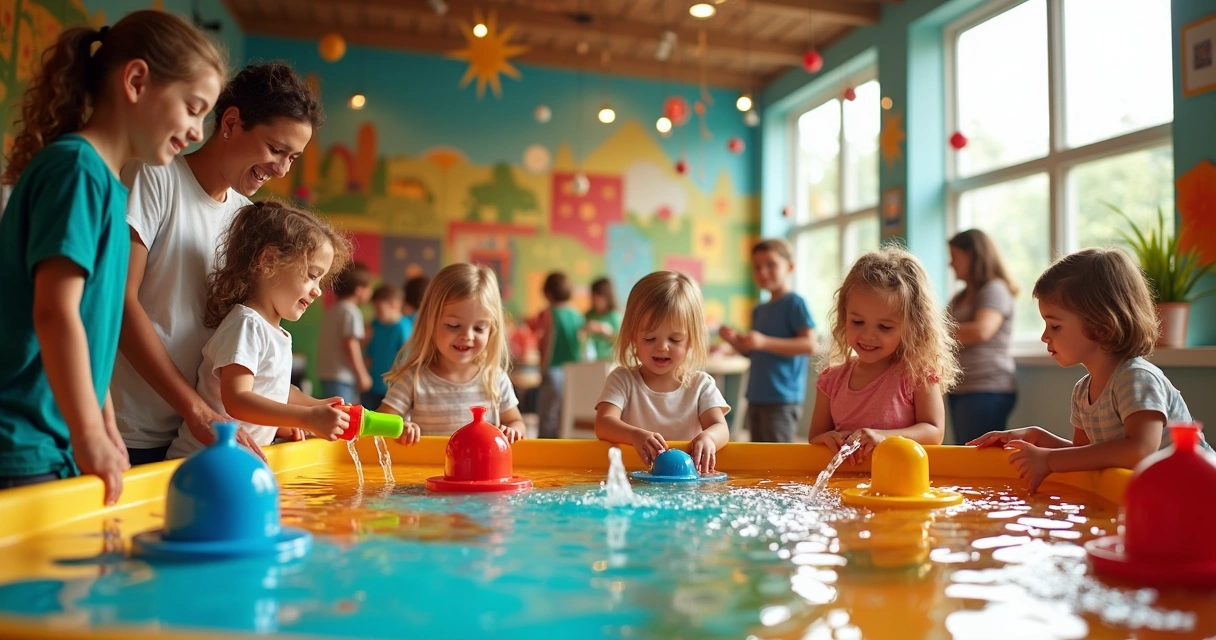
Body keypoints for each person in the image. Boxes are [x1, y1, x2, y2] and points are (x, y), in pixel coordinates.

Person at [0, 12, 226, 504]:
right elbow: (55, 313)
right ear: (137, 81)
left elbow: (88, 327)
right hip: (22, 442)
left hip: (50, 441)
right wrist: (88, 437)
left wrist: (102, 424)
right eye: (193, 108)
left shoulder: (102, 182)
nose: (196, 132)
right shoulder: (76, 171)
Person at [114, 62, 324, 465]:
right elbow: (120, 303)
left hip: (205, 437)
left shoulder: (247, 218)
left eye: (292, 157)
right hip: (132, 429)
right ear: (230, 123)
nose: (281, 169)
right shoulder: (155, 178)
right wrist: (195, 409)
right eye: (275, 149)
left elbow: (240, 339)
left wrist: (282, 412)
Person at [970, 249, 1202, 492]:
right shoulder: (1083, 391)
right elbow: (1086, 456)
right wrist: (1037, 437)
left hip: (1195, 492)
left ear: (1102, 327)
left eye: (1055, 326)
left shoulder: (1137, 378)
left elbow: (1140, 450)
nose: (1044, 336)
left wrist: (1048, 460)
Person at [166, 202, 352, 458]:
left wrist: (321, 406)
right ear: (270, 261)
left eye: (321, 279)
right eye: (311, 275)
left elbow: (274, 390)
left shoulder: (276, 332)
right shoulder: (247, 324)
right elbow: (238, 399)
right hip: (201, 462)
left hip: (233, 463)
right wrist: (307, 417)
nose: (318, 290)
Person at [807, 247, 961, 465]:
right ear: (843, 317)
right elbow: (814, 438)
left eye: (885, 327)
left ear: (911, 327)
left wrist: (883, 437)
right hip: (842, 486)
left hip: (899, 484)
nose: (868, 335)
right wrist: (826, 439)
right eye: (857, 322)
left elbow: (934, 432)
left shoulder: (916, 375)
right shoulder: (830, 380)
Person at [594, 271, 730, 474]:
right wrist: (634, 436)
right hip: (636, 481)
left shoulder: (700, 385)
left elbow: (721, 427)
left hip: (686, 484)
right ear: (633, 337)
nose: (662, 347)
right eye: (650, 338)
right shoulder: (622, 380)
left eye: (675, 340)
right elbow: (603, 424)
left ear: (691, 340)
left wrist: (709, 437)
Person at [380, 264, 525, 444]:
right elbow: (382, 421)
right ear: (430, 323)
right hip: (429, 472)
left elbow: (515, 421)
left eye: (479, 328)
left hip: (481, 472)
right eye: (454, 326)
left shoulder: (495, 379)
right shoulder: (414, 379)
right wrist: (399, 427)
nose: (467, 336)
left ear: (492, 330)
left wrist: (513, 430)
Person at [719, 239, 817, 442]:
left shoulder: (794, 303)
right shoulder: (759, 309)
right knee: (759, 457)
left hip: (782, 398)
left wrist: (763, 342)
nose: (763, 272)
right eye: (757, 267)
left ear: (789, 267)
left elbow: (810, 344)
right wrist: (735, 341)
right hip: (756, 396)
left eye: (771, 264)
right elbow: (752, 351)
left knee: (778, 458)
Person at [946, 229, 1018, 443]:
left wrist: (934, 333)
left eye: (954, 256)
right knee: (966, 456)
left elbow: (981, 330)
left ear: (973, 255)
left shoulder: (994, 289)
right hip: (962, 388)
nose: (951, 264)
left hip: (987, 388)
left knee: (976, 461)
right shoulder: (960, 297)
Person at [536, 272, 584, 438]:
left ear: (548, 293)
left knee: (548, 412)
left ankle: (544, 447)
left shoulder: (550, 313)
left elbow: (547, 342)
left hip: (554, 369)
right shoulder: (577, 314)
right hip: (573, 371)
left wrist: (542, 366)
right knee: (565, 413)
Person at [317, 262, 373, 402]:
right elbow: (350, 344)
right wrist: (362, 375)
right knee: (345, 418)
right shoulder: (352, 312)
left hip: (328, 375)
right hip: (343, 378)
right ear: (359, 290)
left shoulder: (333, 310)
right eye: (368, 287)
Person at [364, 284, 412, 409]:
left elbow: (406, 360)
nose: (376, 313)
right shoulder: (375, 325)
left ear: (395, 305)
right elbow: (369, 353)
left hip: (392, 389)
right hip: (372, 386)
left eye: (379, 309)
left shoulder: (403, 328)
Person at [584, 277, 622, 362]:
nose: (595, 301)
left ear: (607, 297)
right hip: (591, 361)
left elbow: (621, 342)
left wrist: (603, 329)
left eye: (598, 298)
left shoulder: (615, 316)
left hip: (610, 361)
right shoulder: (589, 315)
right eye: (593, 297)